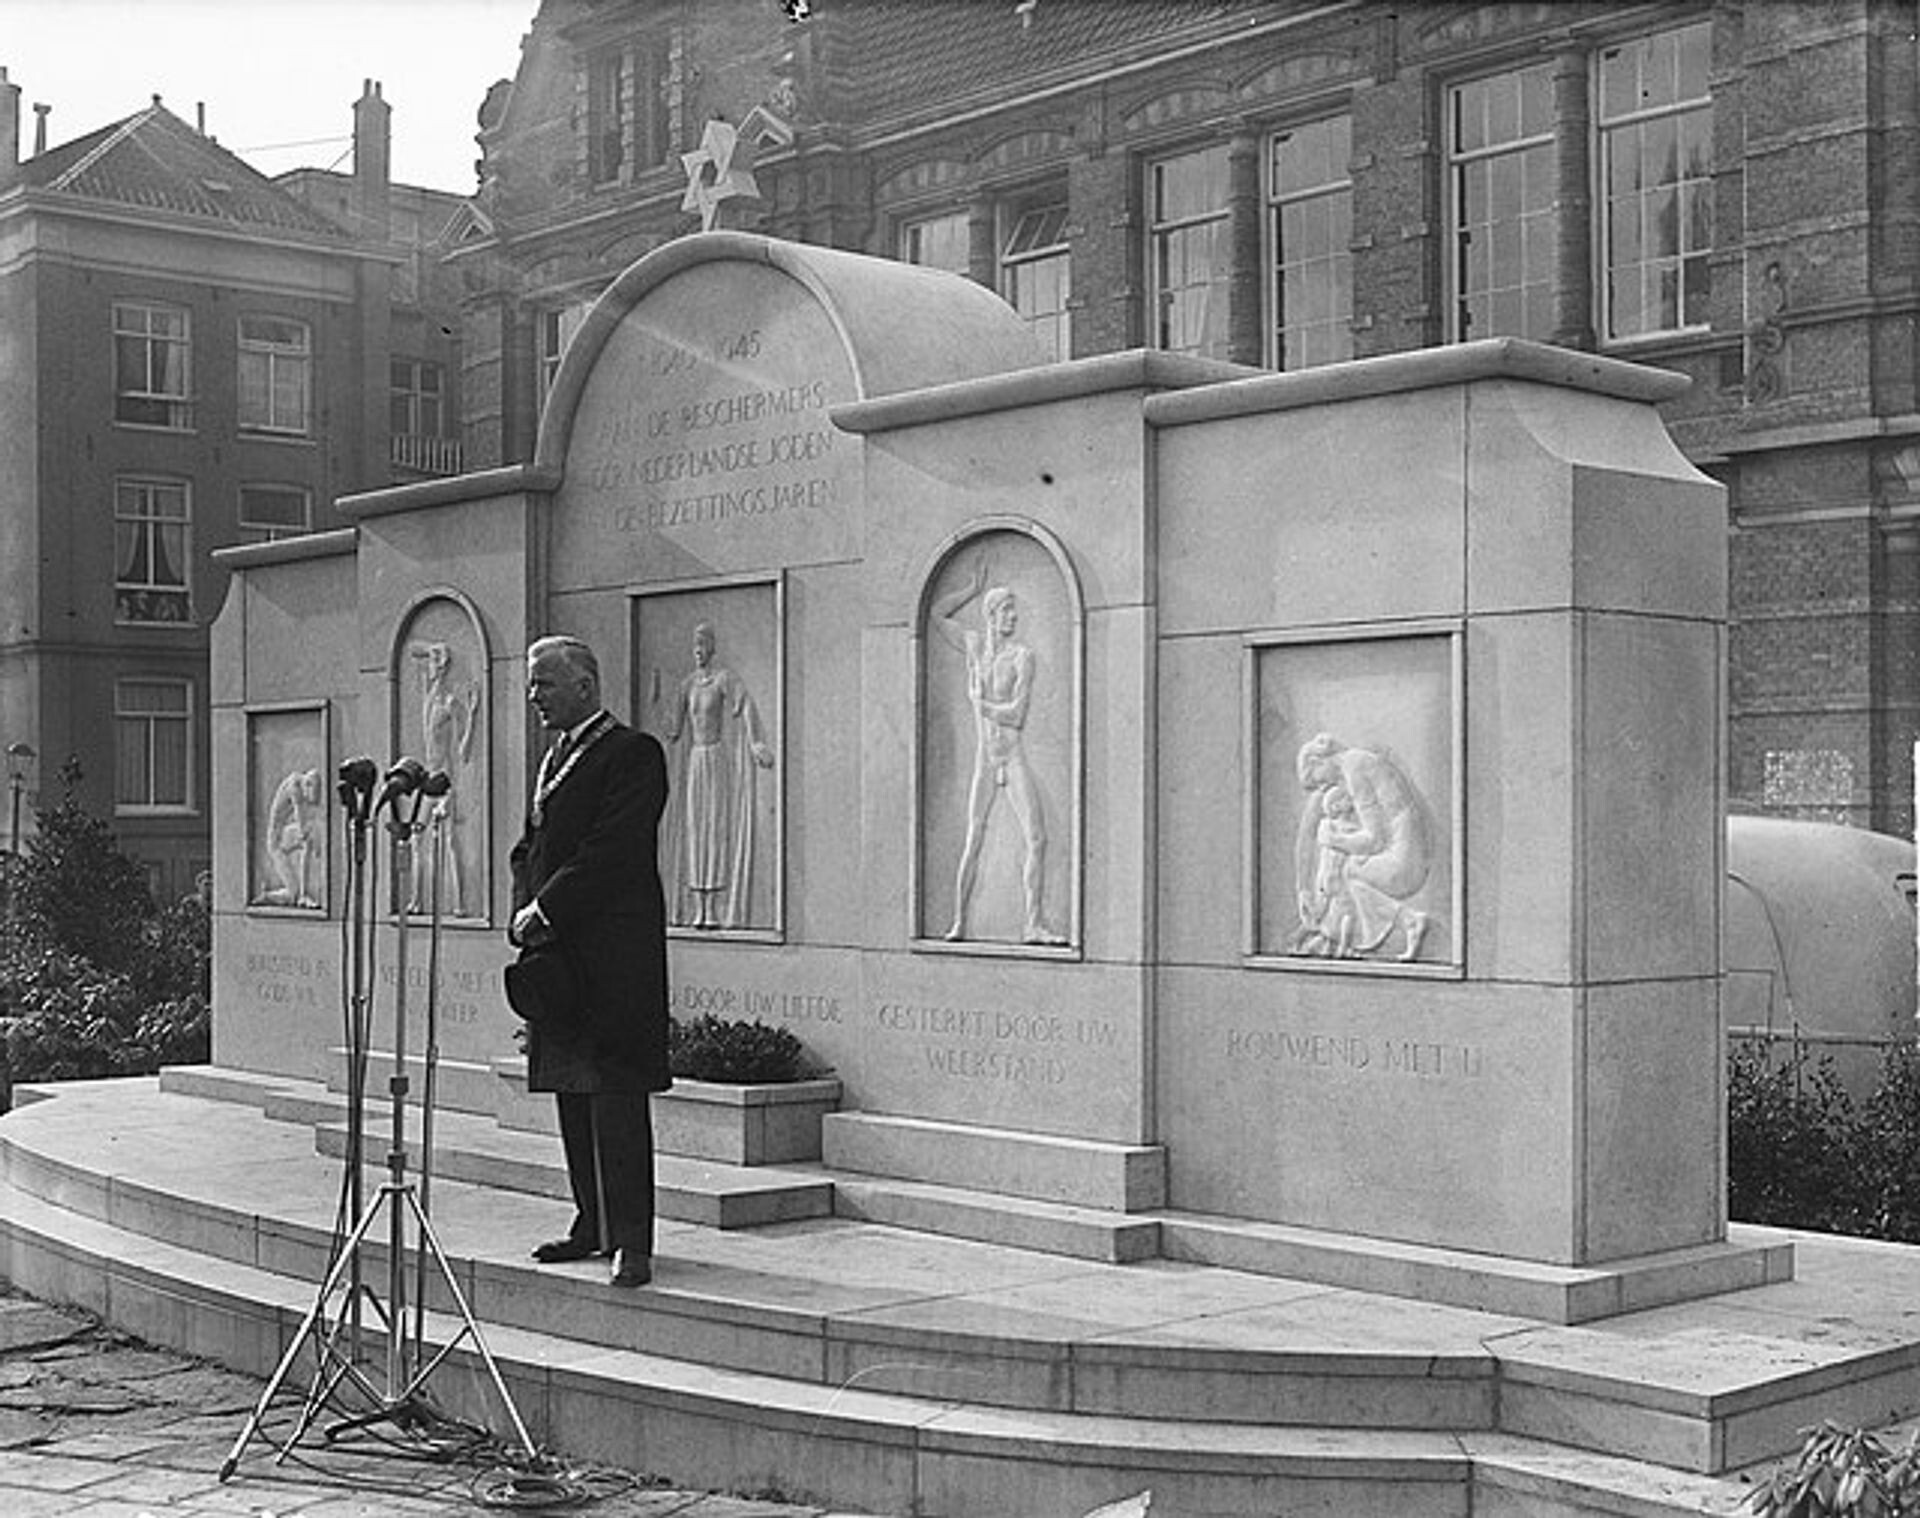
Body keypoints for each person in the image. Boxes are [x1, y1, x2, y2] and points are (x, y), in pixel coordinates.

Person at [508, 635, 670, 1288]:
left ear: (585, 684)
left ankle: (633, 1241)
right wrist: (526, 911)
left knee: (615, 1096)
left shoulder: (633, 753)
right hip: (559, 957)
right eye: (530, 685)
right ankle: (591, 1224)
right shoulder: (555, 759)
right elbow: (532, 846)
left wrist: (544, 908)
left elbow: (614, 849)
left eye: (544, 683)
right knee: (572, 1091)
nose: (534, 697)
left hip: (614, 959)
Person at [932, 557, 1065, 945]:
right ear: (991, 615)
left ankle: (1033, 923)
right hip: (985, 762)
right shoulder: (974, 647)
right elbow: (939, 615)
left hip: (1012, 755)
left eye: (1014, 611)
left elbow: (1017, 714)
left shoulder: (1022, 657)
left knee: (1037, 838)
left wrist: (980, 704)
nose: (1013, 617)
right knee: (973, 837)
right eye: (1007, 610)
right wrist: (970, 590)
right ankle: (959, 922)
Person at [650, 621, 774, 929]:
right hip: (696, 761)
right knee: (696, 833)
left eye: (703, 645)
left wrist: (756, 741)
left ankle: (715, 909)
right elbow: (673, 728)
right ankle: (699, 907)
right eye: (694, 646)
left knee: (714, 831)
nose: (698, 651)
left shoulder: (723, 679)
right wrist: (655, 699)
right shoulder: (688, 684)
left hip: (716, 760)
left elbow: (744, 705)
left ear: (712, 648)